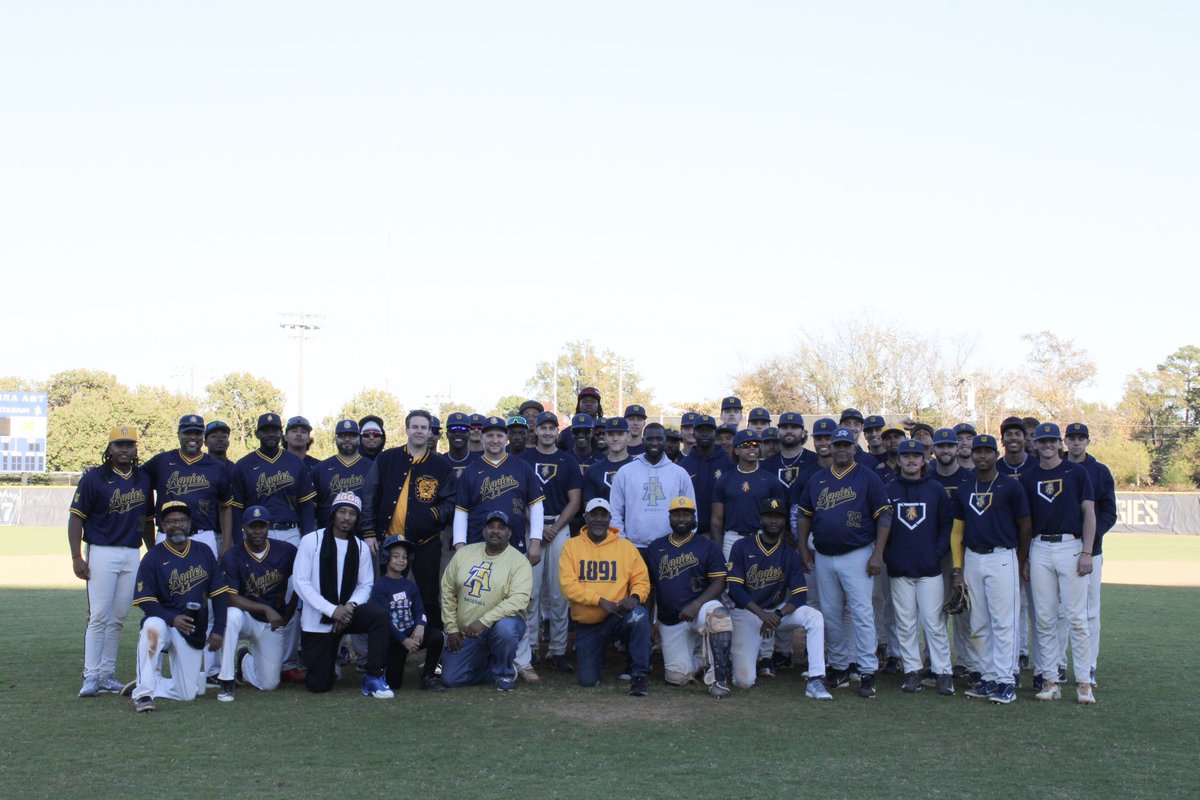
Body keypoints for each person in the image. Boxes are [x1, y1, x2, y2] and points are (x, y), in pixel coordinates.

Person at [795, 427, 893, 698]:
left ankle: (867, 671)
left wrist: (877, 554)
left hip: (858, 553)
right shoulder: (818, 479)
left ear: (854, 447)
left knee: (862, 613)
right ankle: (838, 667)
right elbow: (804, 516)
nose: (840, 449)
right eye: (836, 444)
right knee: (831, 614)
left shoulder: (868, 477)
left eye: (845, 445)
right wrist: (803, 548)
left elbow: (884, 516)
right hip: (824, 555)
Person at [230, 412, 316, 682]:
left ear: (281, 433)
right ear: (257, 434)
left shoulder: (294, 463)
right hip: (255, 536)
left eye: (274, 429)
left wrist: (309, 539)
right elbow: (236, 509)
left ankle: (288, 661)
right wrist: (235, 541)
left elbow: (306, 505)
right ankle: (256, 650)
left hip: (290, 532)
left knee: (292, 595)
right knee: (259, 590)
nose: (270, 434)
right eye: (264, 430)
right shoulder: (244, 465)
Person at [70, 425, 155, 698]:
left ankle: (107, 674)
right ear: (109, 448)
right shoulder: (94, 478)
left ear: (135, 448)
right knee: (98, 616)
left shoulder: (143, 479)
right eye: (119, 444)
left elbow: (148, 521)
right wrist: (76, 556)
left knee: (118, 617)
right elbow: (76, 518)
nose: (124, 449)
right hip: (102, 551)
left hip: (131, 552)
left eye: (129, 444)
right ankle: (91, 675)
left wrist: (151, 553)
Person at [125, 501, 233, 712]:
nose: (177, 525)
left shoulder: (203, 552)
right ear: (163, 526)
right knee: (152, 626)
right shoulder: (153, 557)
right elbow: (145, 600)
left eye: (181, 520)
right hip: (166, 621)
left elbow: (219, 594)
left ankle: (153, 681)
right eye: (171, 521)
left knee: (187, 694)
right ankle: (144, 693)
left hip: (192, 628)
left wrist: (219, 629)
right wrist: (171, 618)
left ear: (189, 523)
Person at [950, 434, 1031, 704]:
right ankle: (987, 677)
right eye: (978, 452)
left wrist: (1021, 561)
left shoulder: (1010, 486)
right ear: (972, 455)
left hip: (1002, 557)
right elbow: (957, 530)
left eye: (987, 451)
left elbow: (1025, 526)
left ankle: (1006, 680)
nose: (982, 456)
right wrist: (958, 569)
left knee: (1003, 622)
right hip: (973, 557)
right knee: (979, 622)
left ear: (996, 454)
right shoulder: (965, 487)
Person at [359, 410, 456, 636]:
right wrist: (369, 531)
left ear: (430, 432)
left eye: (424, 428)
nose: (419, 431)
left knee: (429, 598)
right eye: (415, 427)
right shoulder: (387, 459)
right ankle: (389, 648)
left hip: (426, 542)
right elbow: (369, 494)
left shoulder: (440, 466)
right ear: (407, 430)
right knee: (387, 598)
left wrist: (432, 514)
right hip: (391, 543)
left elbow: (451, 501)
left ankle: (432, 659)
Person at [1020, 423, 1097, 705]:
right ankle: (1050, 680)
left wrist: (1087, 552)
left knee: (1077, 618)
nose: (1048, 445)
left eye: (1053, 441)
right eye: (1043, 441)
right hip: (1040, 546)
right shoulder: (1029, 477)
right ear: (1036, 444)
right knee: (1044, 618)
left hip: (1071, 545)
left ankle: (1084, 683)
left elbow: (1089, 512)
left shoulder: (1076, 472)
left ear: (1059, 444)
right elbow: (1025, 523)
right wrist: (1026, 556)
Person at [726, 498, 830, 699]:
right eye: (769, 516)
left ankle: (816, 679)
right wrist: (761, 614)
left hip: (776, 613)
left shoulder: (788, 553)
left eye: (778, 517)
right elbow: (734, 590)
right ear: (761, 519)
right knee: (744, 681)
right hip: (748, 613)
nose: (774, 521)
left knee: (814, 616)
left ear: (784, 521)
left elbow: (800, 593)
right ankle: (735, 658)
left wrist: (778, 614)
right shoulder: (742, 546)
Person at [292, 492, 393, 697]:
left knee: (379, 616)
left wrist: (348, 607)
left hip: (347, 612)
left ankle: (373, 676)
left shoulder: (360, 547)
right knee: (319, 684)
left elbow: (366, 584)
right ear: (333, 514)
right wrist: (332, 610)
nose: (347, 518)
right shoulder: (312, 540)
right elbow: (300, 582)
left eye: (352, 514)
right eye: (342, 512)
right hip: (318, 619)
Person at [559, 499, 652, 696]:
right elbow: (568, 586)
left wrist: (634, 597)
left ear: (610, 518)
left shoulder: (626, 547)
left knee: (639, 616)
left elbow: (642, 581)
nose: (599, 519)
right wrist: (600, 601)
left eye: (603, 515)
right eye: (594, 514)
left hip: (618, 617)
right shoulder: (571, 547)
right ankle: (597, 656)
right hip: (588, 624)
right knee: (587, 681)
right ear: (586, 517)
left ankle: (639, 676)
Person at [883, 440, 955, 695]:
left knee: (934, 622)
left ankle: (943, 671)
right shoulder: (889, 489)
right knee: (905, 622)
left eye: (916, 456)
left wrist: (936, 553)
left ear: (925, 459)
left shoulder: (935, 489)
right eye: (906, 456)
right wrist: (889, 555)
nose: (911, 461)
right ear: (899, 460)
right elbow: (882, 525)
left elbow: (947, 525)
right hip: (899, 568)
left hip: (929, 568)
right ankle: (911, 670)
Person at [644, 497, 732, 698]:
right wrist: (650, 621)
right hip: (671, 618)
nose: (681, 518)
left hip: (699, 610)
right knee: (677, 677)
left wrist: (697, 604)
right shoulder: (656, 548)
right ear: (669, 518)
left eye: (686, 514)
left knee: (719, 615)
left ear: (694, 518)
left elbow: (720, 581)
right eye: (676, 514)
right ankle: (704, 657)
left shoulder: (707, 545)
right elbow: (650, 588)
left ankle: (719, 677)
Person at [517, 411, 583, 675]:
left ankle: (557, 650)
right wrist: (536, 526)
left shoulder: (567, 461)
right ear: (537, 431)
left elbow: (575, 501)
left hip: (559, 527)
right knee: (530, 592)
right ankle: (531, 648)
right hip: (530, 528)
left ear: (557, 432)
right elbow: (518, 497)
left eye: (551, 428)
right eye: (542, 427)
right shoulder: (523, 460)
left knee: (559, 593)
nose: (546, 432)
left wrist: (554, 528)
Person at [440, 511, 533, 691]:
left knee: (505, 629)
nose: (495, 531)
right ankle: (491, 667)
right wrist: (451, 628)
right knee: (450, 679)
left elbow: (518, 600)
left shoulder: (520, 562)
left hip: (499, 626)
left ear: (509, 534)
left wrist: (483, 622)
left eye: (501, 528)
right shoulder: (464, 553)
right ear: (484, 531)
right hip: (467, 631)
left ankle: (504, 674)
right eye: (491, 527)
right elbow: (447, 590)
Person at [215, 505, 297, 701]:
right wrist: (265, 608)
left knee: (269, 684)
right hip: (246, 617)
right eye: (253, 526)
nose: (257, 531)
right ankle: (226, 680)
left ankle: (244, 661)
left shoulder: (286, 550)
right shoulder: (233, 555)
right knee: (231, 615)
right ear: (243, 527)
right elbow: (230, 597)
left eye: (262, 526)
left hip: (270, 623)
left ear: (268, 527)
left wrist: (289, 612)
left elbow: (303, 583)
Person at [1062, 422, 1116, 686]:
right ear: (1065, 441)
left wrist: (1089, 539)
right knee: (1059, 610)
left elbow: (1108, 512)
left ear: (1087, 441)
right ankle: (1058, 664)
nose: (1075, 442)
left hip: (1090, 551)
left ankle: (1089, 665)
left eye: (1080, 438)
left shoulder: (1099, 471)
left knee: (1090, 611)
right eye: (1071, 438)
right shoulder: (1055, 467)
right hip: (1059, 548)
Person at [142, 414, 234, 555]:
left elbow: (225, 507)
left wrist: (227, 544)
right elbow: (135, 479)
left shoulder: (216, 466)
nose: (193, 437)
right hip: (167, 535)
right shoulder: (161, 462)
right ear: (178, 434)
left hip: (203, 536)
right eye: (187, 433)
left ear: (203, 436)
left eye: (197, 433)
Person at [372, 535, 446, 691]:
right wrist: (403, 640)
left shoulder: (409, 585)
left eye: (404, 557)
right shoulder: (380, 586)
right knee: (394, 684)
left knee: (437, 636)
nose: (401, 560)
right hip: (394, 639)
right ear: (386, 558)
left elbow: (420, 610)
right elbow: (384, 620)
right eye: (396, 556)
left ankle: (428, 676)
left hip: (411, 632)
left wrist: (420, 626)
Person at [929, 427, 974, 680]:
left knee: (963, 609)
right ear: (933, 449)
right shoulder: (928, 477)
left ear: (958, 448)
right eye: (940, 445)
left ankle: (965, 662)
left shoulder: (969, 477)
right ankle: (936, 661)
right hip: (935, 552)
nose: (945, 450)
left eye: (950, 445)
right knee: (935, 610)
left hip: (963, 552)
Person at [996, 415, 1036, 674]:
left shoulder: (1037, 466)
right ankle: (1019, 653)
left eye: (1017, 434)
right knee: (1012, 603)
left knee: (1041, 607)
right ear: (1003, 439)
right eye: (1008, 434)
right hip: (1007, 544)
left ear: (1025, 438)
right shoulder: (996, 467)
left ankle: (1048, 663)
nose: (1013, 438)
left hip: (1038, 541)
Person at [711, 430, 787, 559]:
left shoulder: (770, 479)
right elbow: (717, 519)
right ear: (736, 451)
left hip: (762, 536)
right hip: (732, 538)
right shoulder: (725, 479)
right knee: (732, 578)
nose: (752, 447)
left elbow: (780, 518)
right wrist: (717, 548)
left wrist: (776, 545)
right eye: (746, 444)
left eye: (755, 444)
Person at [312, 419, 373, 530]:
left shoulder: (372, 467)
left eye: (352, 435)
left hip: (361, 533)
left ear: (359, 438)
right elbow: (313, 507)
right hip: (327, 532)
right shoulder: (320, 468)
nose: (347, 439)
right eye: (342, 435)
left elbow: (375, 505)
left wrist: (370, 533)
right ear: (335, 438)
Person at [679, 415, 732, 539]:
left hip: (724, 532)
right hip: (692, 533)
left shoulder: (728, 462)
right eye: (700, 430)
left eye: (708, 430)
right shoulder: (684, 465)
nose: (704, 434)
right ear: (694, 433)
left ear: (715, 433)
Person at [582, 416, 633, 505]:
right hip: (603, 518)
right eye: (610, 434)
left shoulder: (639, 467)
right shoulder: (593, 470)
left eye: (620, 434)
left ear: (628, 437)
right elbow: (590, 507)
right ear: (605, 437)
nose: (615, 438)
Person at [557, 386, 604, 451]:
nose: (588, 404)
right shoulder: (565, 434)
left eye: (593, 401)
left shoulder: (607, 432)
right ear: (578, 405)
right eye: (584, 401)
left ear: (598, 406)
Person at [443, 412, 480, 480]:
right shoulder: (440, 462)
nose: (458, 433)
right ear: (447, 434)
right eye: (453, 429)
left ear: (469, 434)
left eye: (463, 429)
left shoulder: (479, 461)